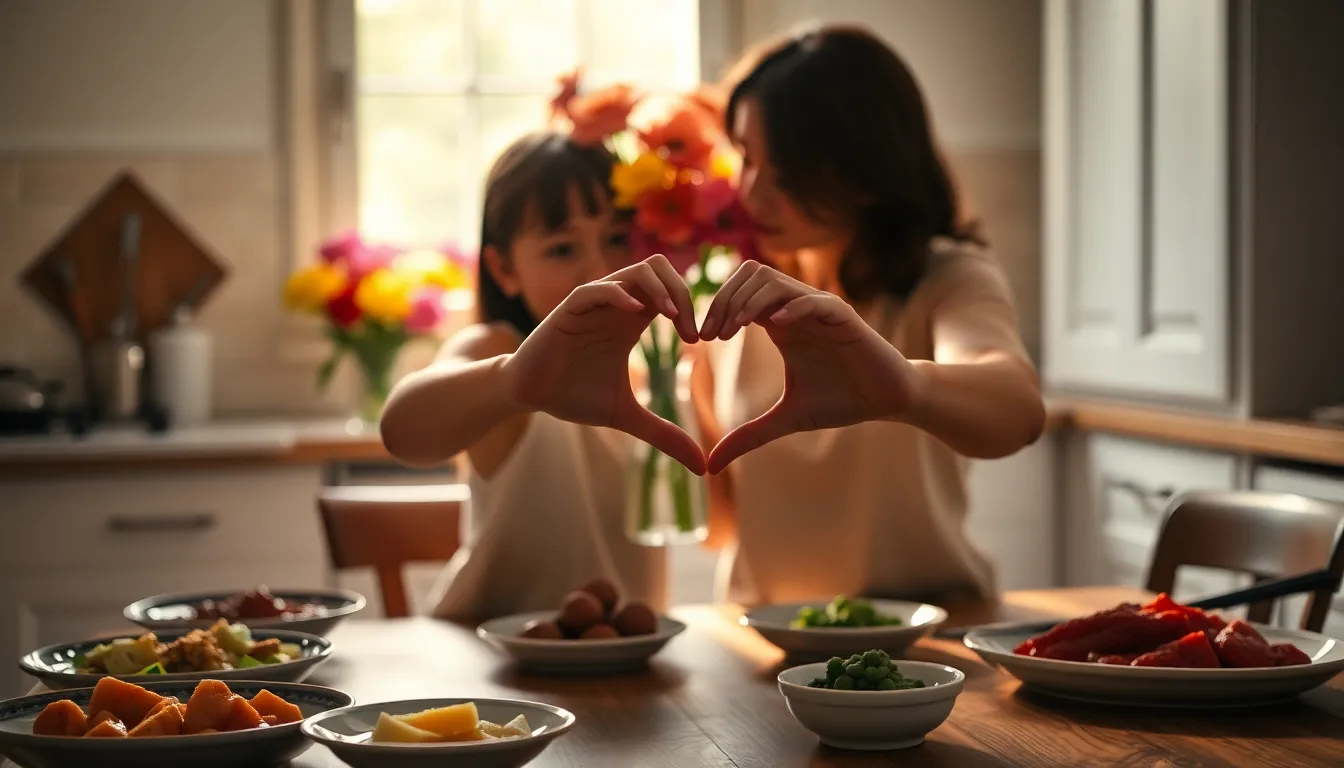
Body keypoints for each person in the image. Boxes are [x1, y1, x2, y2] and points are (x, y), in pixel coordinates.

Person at [689, 24, 1047, 606]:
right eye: (746, 159)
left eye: (787, 172)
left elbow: (1017, 408)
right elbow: (723, 524)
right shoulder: (730, 308)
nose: (752, 197)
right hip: (763, 642)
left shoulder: (947, 278)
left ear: (866, 168)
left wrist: (901, 383)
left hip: (933, 637)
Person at [380, 130, 702, 620]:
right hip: (491, 662)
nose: (599, 270)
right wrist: (512, 380)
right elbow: (403, 429)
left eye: (617, 239)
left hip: (626, 659)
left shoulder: (656, 374)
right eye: (562, 249)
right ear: (504, 269)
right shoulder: (500, 351)